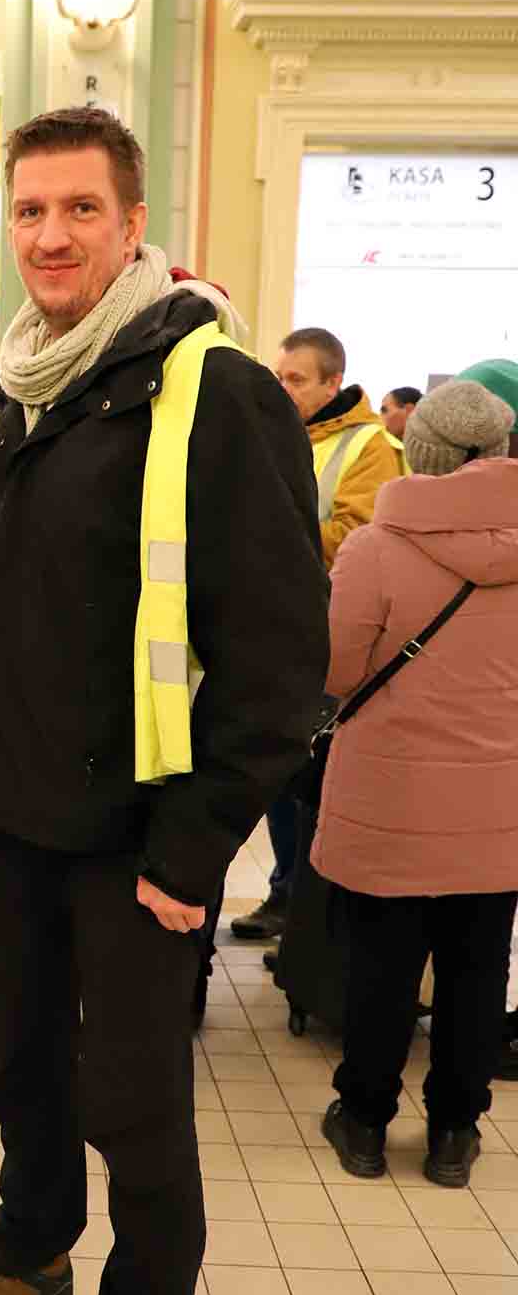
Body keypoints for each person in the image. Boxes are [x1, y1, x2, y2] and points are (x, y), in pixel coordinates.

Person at [0, 105, 328, 1295]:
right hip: (10, 822)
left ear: (132, 224)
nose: (53, 235)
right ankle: (33, 1259)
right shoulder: (20, 394)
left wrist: (197, 849)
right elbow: (10, 616)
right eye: (30, 211)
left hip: (139, 842)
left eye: (81, 209)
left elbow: (278, 659)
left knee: (132, 1105)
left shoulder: (213, 387)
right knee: (19, 1069)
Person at [316, 379, 518, 1189]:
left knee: (382, 970)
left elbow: (334, 670)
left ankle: (364, 1119)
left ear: (421, 452)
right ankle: (454, 1132)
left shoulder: (375, 548)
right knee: (477, 970)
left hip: (390, 798)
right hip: (500, 804)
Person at [232, 326, 405, 941]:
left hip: (329, 639)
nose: (284, 388)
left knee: (309, 783)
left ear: (335, 381)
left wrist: (265, 537)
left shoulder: (369, 447)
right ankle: (287, 894)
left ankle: (306, 913)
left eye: (297, 379)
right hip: (274, 634)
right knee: (277, 773)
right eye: (280, 376)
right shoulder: (284, 437)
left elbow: (358, 538)